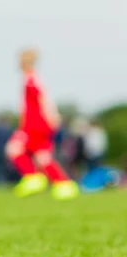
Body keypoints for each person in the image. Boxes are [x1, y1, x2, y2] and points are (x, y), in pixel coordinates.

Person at [5, 49, 79, 200]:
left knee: (13, 148)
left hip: (35, 124)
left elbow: (44, 99)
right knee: (42, 157)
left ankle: (32, 178)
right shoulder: (31, 78)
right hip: (40, 124)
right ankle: (64, 185)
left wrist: (52, 116)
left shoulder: (31, 79)